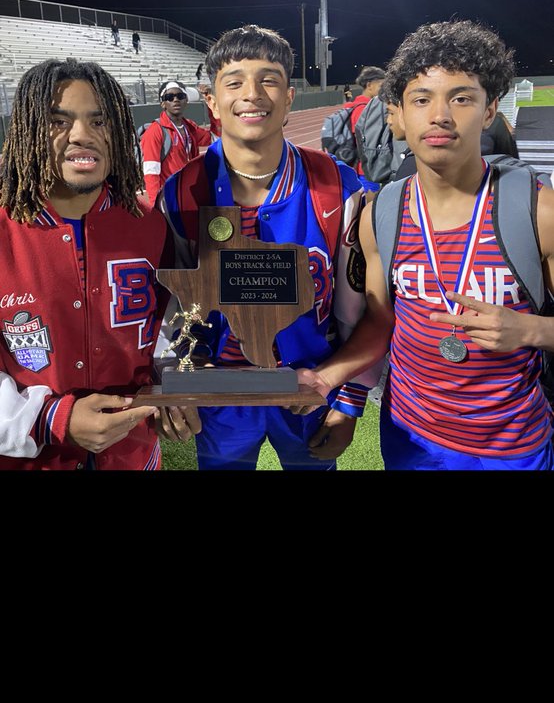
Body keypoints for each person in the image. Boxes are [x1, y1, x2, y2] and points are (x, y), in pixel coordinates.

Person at [157, 24, 385, 471]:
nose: (252, 93)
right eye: (235, 81)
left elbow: (370, 309)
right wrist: (172, 380)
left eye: (269, 79)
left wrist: (348, 396)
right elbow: (166, 309)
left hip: (310, 387)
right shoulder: (181, 193)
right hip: (218, 393)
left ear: (289, 98)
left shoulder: (338, 188)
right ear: (212, 100)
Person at [354, 18, 554, 470]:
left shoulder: (539, 212)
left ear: (489, 111)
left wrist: (533, 332)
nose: (440, 115)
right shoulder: (379, 214)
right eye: (421, 99)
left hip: (512, 446)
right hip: (408, 437)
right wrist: (334, 385)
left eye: (461, 98)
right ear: (398, 115)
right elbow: (379, 321)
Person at [0, 56, 197, 471]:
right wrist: (50, 419)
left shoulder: (151, 225)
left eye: (99, 121)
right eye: (58, 121)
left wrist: (174, 389)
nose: (81, 135)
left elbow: (171, 335)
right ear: (27, 130)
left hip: (132, 453)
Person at [140, 80, 211, 206]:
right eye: (169, 97)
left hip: (190, 194)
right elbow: (151, 173)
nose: (175, 100)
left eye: (180, 96)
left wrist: (211, 103)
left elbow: (214, 137)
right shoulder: (154, 131)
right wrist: (156, 206)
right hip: (170, 200)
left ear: (186, 100)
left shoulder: (190, 127)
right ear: (163, 103)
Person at [346, 66, 386, 175]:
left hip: (364, 166)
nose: (384, 90)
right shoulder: (364, 109)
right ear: (369, 85)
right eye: (381, 86)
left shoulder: (358, 105)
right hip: (366, 169)